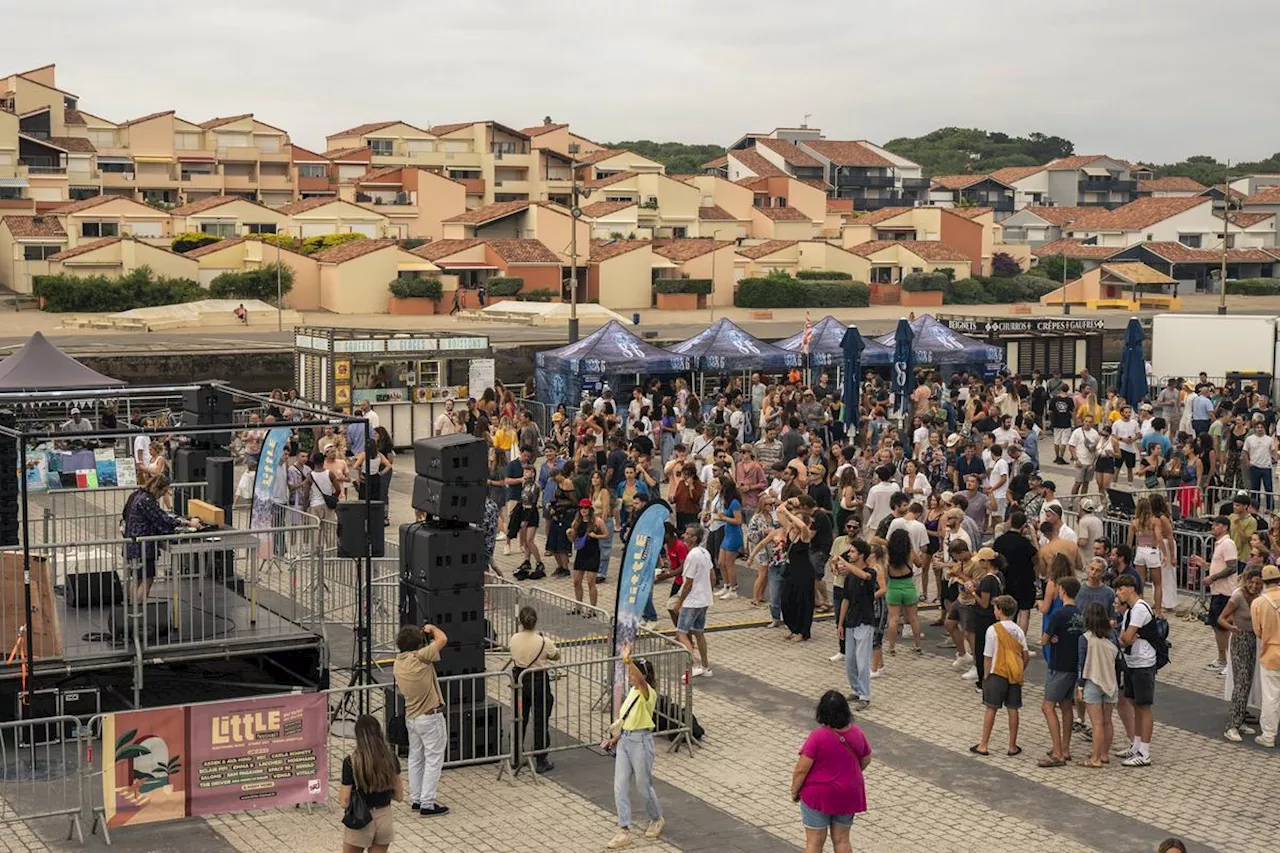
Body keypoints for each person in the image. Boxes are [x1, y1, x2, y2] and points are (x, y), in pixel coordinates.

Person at [790, 690, 870, 853]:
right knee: (842, 840)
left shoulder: (818, 736)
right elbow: (866, 759)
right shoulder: (856, 732)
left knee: (814, 842)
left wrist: (794, 790)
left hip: (818, 795)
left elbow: (801, 769)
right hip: (848, 792)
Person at [606, 649, 664, 849]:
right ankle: (624, 829)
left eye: (633, 674)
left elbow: (640, 681)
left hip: (641, 741)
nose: (630, 677)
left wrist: (628, 660)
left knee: (643, 785)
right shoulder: (632, 692)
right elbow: (626, 717)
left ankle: (656, 817)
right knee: (619, 785)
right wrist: (616, 737)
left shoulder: (648, 693)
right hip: (625, 740)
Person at [393, 623, 449, 815]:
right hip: (429, 716)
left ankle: (416, 798)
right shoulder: (420, 658)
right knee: (434, 759)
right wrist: (432, 628)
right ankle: (427, 802)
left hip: (412, 717)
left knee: (415, 758)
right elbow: (443, 639)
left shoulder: (397, 663)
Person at [122, 475, 200, 602]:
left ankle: (132, 609)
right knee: (147, 579)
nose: (164, 494)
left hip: (131, 543)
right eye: (164, 491)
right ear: (159, 488)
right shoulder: (147, 500)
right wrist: (187, 522)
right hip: (143, 547)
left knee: (136, 578)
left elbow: (125, 514)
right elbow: (162, 519)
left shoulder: (135, 495)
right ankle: (140, 610)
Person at [971, 594, 1028, 757]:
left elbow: (987, 656)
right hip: (1014, 674)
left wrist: (986, 676)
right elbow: (1025, 654)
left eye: (995, 608)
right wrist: (1020, 669)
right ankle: (1012, 746)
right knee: (1013, 709)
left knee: (991, 708)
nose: (994, 611)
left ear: (1000, 610)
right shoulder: (1018, 630)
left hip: (997, 672)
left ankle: (984, 744)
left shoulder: (993, 630)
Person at [339, 715, 402, 853]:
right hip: (384, 817)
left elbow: (344, 801)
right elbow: (399, 796)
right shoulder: (391, 758)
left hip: (361, 818)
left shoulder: (351, 762)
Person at [1038, 576, 1083, 767]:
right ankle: (1066, 747)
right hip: (1074, 664)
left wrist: (1051, 638)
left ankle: (1057, 752)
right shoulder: (1081, 613)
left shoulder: (1058, 614)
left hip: (1058, 665)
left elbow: (1044, 639)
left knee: (1047, 707)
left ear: (1062, 590)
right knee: (1066, 706)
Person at [509, 606, 559, 774]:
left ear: (521, 622)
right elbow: (556, 655)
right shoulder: (543, 641)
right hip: (538, 681)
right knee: (540, 719)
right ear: (535, 621)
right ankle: (540, 759)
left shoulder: (514, 638)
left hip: (519, 680)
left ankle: (515, 756)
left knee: (518, 718)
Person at [1114, 575, 1157, 766]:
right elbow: (1124, 637)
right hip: (1131, 662)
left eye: (1120, 589)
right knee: (1134, 702)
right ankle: (1136, 744)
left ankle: (1145, 752)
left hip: (1143, 663)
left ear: (1130, 588)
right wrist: (1125, 638)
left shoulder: (1139, 609)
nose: (1117, 593)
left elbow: (1125, 637)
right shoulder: (1129, 611)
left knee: (1144, 706)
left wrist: (1126, 638)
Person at [836, 539, 883, 709]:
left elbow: (865, 576)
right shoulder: (850, 577)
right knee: (850, 661)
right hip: (851, 621)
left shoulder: (870, 572)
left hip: (865, 621)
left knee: (862, 661)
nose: (849, 554)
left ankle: (865, 695)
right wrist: (840, 624)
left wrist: (846, 566)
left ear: (861, 554)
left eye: (853, 552)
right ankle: (856, 690)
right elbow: (846, 599)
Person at [1221, 566, 1263, 743]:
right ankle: (1231, 725)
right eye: (1251, 582)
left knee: (1247, 682)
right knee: (1240, 683)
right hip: (1240, 639)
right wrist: (1231, 628)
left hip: (1252, 640)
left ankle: (1240, 719)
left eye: (1258, 583)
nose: (1254, 586)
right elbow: (1221, 618)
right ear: (1246, 580)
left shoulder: (1259, 598)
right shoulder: (1238, 596)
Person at [1076, 601, 1119, 768]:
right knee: (1108, 721)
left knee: (1097, 724)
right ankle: (1104, 754)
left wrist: (1080, 686)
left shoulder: (1085, 638)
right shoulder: (1112, 635)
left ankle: (1095, 758)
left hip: (1092, 681)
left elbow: (1081, 664)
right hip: (1110, 682)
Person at [674, 524, 714, 677]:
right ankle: (705, 666)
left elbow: (688, 582)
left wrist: (680, 601)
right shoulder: (705, 552)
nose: (684, 535)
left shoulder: (692, 556)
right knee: (699, 632)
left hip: (693, 600)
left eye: (687, 533)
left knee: (681, 632)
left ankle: (695, 664)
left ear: (694, 538)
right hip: (704, 598)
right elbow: (712, 576)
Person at [778, 496, 816, 642]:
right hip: (790, 571)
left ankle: (802, 631)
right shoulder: (789, 530)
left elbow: (803, 527)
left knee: (803, 602)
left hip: (804, 572)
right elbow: (779, 511)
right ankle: (793, 627)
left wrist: (790, 515)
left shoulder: (805, 535)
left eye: (796, 519)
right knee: (787, 601)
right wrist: (787, 502)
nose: (792, 521)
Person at [1250, 563, 1280, 748]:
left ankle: (1269, 735)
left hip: (1271, 653)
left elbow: (1258, 631)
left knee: (1271, 696)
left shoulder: (1258, 603)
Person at [883, 528, 923, 656]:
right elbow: (920, 564)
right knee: (913, 618)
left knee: (893, 619)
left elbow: (884, 574)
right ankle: (917, 645)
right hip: (909, 587)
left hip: (893, 588)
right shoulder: (910, 553)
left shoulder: (888, 555)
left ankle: (891, 647)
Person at [570, 498, 607, 612]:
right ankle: (578, 606)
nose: (583, 510)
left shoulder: (597, 521)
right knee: (576, 581)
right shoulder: (576, 522)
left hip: (593, 553)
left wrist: (596, 536)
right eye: (581, 508)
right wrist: (570, 534)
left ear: (590, 509)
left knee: (591, 582)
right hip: (581, 553)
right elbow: (573, 539)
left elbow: (606, 534)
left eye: (586, 508)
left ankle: (592, 608)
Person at [714, 477, 744, 600]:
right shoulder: (728, 502)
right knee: (721, 562)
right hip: (728, 534)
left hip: (734, 535)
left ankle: (733, 588)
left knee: (729, 563)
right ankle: (726, 585)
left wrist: (723, 518)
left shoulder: (735, 503)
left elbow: (738, 520)